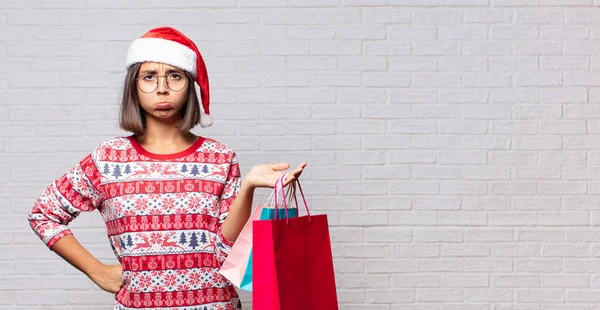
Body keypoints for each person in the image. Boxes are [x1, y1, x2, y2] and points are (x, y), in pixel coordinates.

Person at [26, 26, 306, 310]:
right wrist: (95, 269)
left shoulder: (220, 157)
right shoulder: (107, 159)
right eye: (149, 77)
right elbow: (43, 215)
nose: (162, 88)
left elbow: (226, 254)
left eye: (175, 76)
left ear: (190, 84)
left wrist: (248, 186)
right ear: (134, 86)